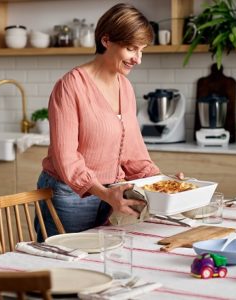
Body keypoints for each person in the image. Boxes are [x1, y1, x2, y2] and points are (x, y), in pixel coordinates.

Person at [35, 3, 161, 238]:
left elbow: (133, 154)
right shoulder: (70, 86)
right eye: (132, 49)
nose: (138, 59)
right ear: (106, 40)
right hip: (69, 196)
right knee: (65, 265)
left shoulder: (125, 86)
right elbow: (67, 159)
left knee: (100, 264)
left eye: (141, 50)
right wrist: (103, 192)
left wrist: (166, 183)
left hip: (111, 195)